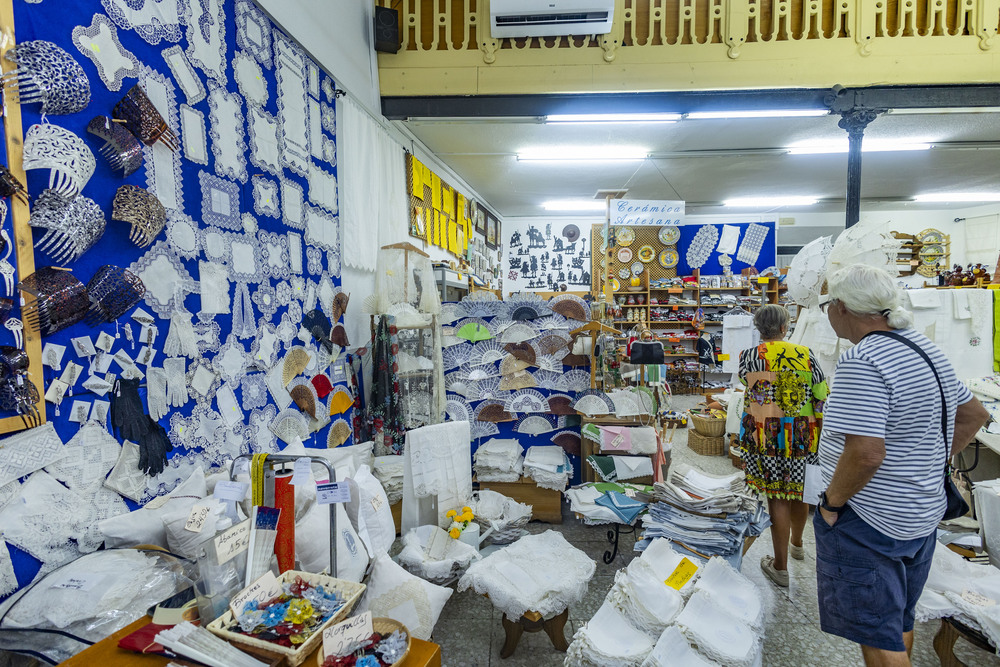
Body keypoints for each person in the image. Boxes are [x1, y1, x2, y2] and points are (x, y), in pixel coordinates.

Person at [816, 264, 990, 666]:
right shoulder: (921, 347)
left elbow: (865, 453)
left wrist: (832, 504)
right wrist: (924, 462)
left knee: (877, 635)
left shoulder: (864, 359)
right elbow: (973, 414)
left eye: (828, 305)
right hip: (919, 511)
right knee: (895, 620)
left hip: (869, 518)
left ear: (842, 308)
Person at [738, 304, 828, 587]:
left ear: (758, 328)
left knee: (777, 496)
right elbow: (821, 392)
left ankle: (780, 567)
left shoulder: (750, 356)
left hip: (767, 434)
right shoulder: (805, 354)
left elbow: (745, 381)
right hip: (802, 432)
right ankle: (798, 545)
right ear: (784, 328)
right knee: (801, 491)